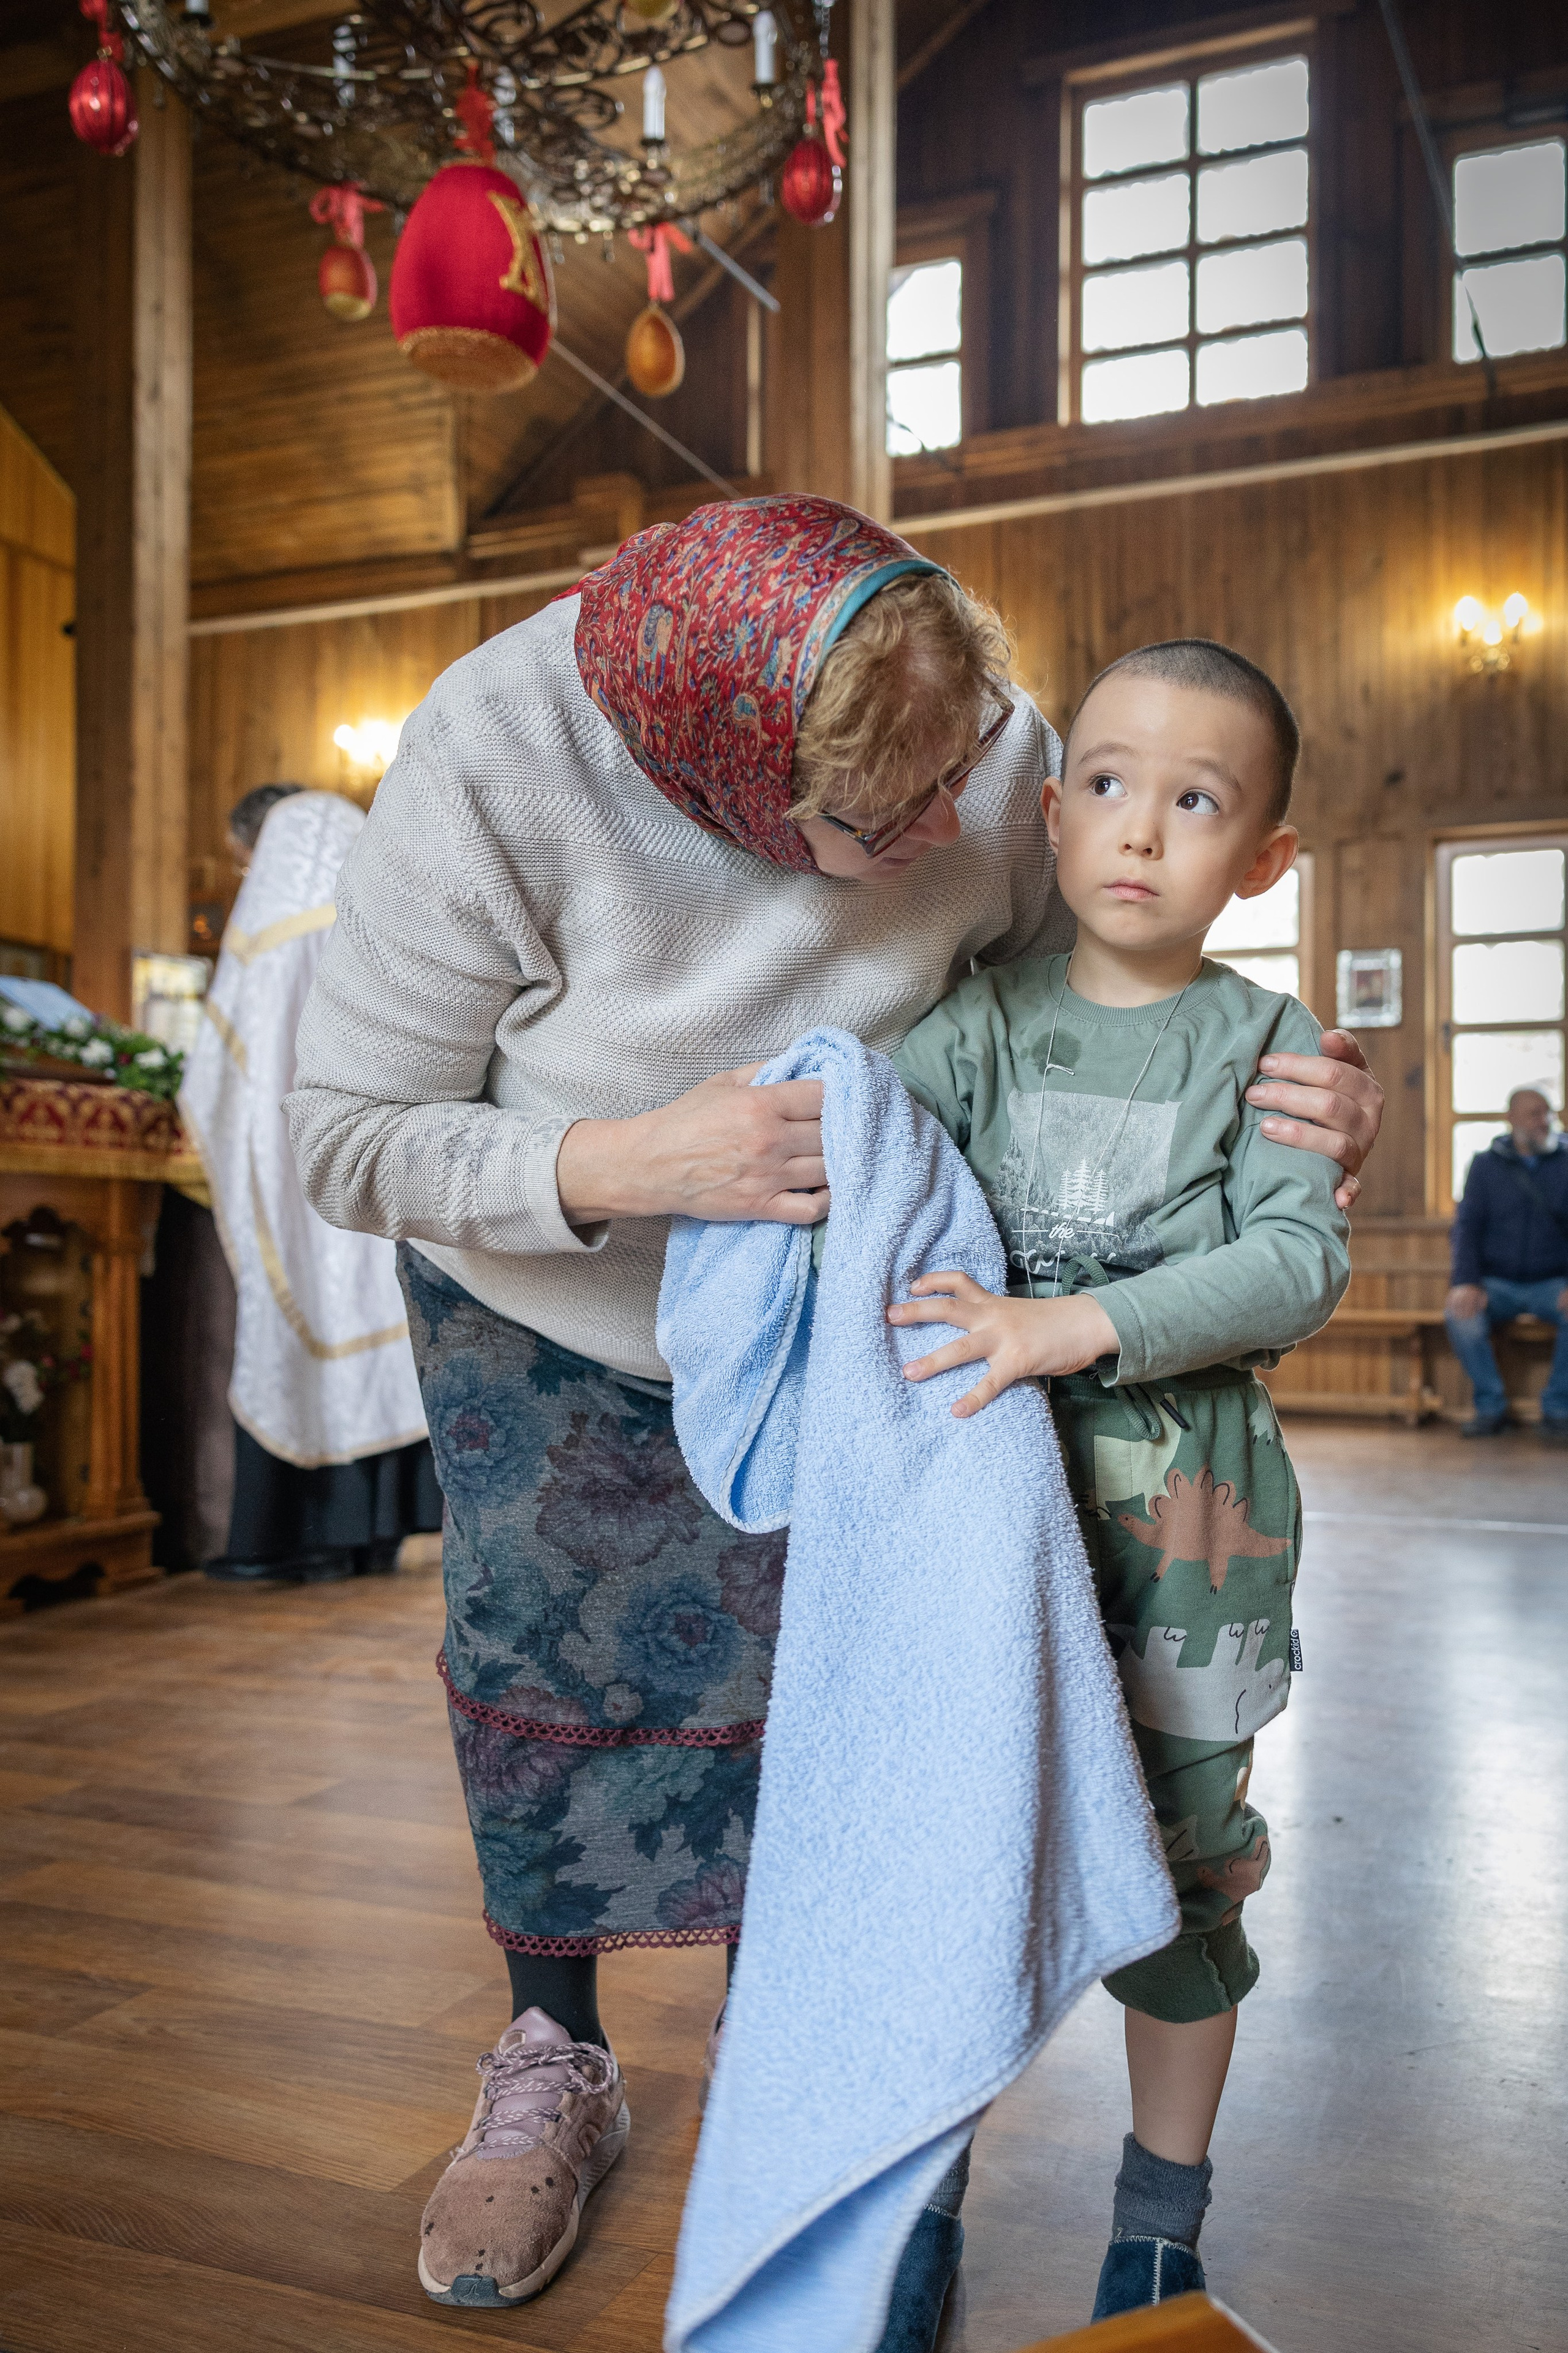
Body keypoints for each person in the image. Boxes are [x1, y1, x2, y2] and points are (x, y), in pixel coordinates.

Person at [284, 498, 1383, 2325]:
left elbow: (1107, 1007)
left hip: (875, 1312)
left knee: (839, 1712)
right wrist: (627, 1156)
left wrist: (1312, 1099)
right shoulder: (494, 760)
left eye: (970, 774)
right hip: (557, 1275)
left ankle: (824, 2089)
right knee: (550, 1675)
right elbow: (340, 1133)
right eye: (881, 820)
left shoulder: (992, 745)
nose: (952, 831)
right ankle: (552, 2051)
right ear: (722, 779)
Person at [888, 640, 1348, 2322]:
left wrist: (1067, 1321)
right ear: (1050, 809)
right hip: (982, 1533)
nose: (1141, 828)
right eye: (1107, 781)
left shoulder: (1269, 1041)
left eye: (1198, 798)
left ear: (1264, 859)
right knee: (951, 1871)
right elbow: (862, 1175)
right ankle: (917, 2201)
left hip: (1193, 1541)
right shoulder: (971, 1026)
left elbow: (1298, 1265)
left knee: (1178, 1871)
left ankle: (1160, 2227)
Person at [180, 785, 442, 1582]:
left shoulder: (271, 923)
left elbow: (218, 1078)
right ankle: (374, 1532)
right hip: (386, 1163)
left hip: (294, 1166)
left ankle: (283, 1534)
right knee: (380, 1313)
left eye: (244, 858)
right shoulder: (389, 904)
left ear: (266, 844)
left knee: (293, 1312)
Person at [1444, 1087, 1568, 1443]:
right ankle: (1490, 1407)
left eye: (1547, 1113)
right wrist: (1466, 1282)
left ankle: (1558, 1409)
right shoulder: (1485, 1166)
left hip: (1553, 1282)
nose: (1543, 1121)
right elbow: (1466, 1228)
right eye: (1533, 1113)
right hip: (1496, 1283)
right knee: (1461, 1316)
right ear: (1511, 1118)